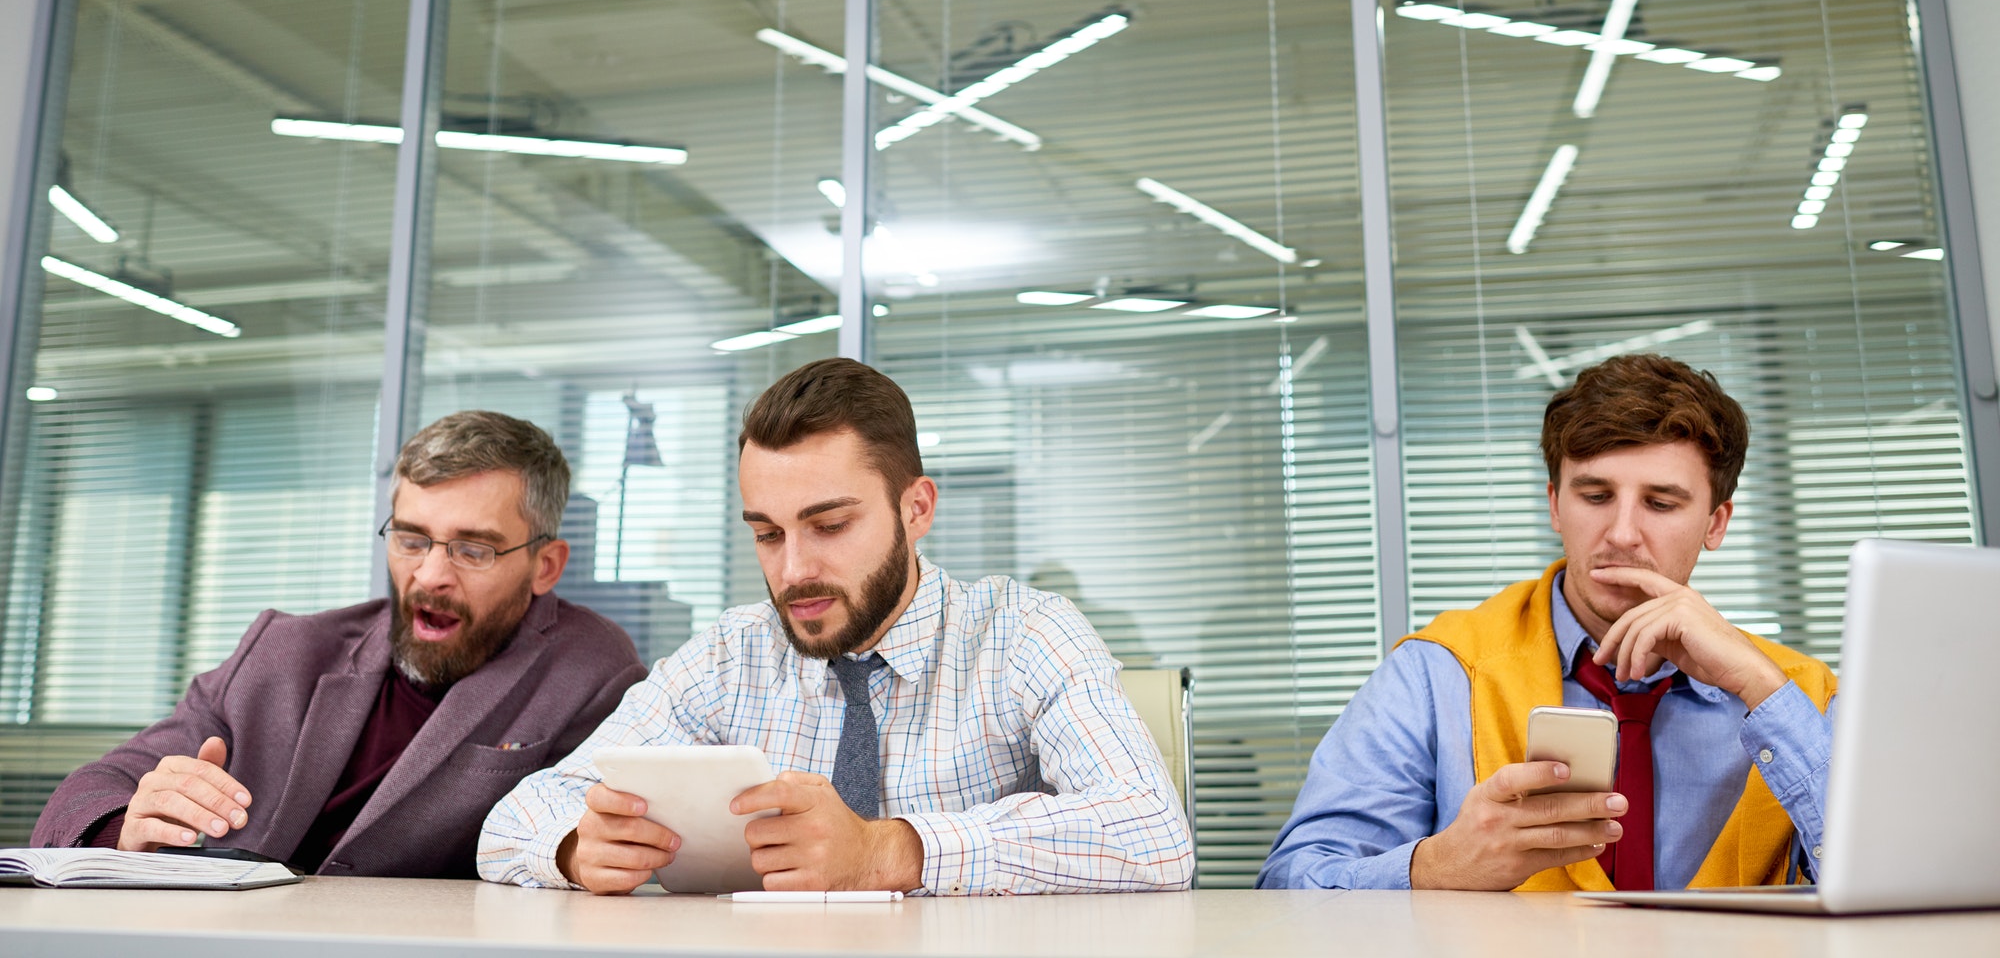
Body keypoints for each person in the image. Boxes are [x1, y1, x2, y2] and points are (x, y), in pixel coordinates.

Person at [479, 357, 1193, 895]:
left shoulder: (1024, 634)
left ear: (916, 509)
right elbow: (513, 820)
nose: (793, 570)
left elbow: (1153, 833)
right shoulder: (731, 655)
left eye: (829, 524)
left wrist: (887, 850)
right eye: (767, 532)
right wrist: (574, 846)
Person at [1259, 354, 1836, 893]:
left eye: (1661, 503)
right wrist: (1437, 865)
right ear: (1556, 505)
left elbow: (1895, 884)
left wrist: (1765, 693)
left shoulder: (1800, 694)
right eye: (1595, 495)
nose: (1622, 534)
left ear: (1716, 524)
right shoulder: (1439, 671)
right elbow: (1292, 882)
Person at [34, 411, 648, 878]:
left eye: (472, 549)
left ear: (545, 565)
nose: (431, 574)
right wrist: (125, 827)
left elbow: (582, 847)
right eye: (411, 539)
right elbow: (93, 786)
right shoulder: (286, 650)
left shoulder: (591, 669)